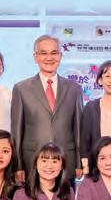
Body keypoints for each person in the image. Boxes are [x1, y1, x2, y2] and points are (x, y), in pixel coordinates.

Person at [11, 35, 83, 184]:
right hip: (31, 163)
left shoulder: (74, 89)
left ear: (60, 56)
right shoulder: (21, 89)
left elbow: (78, 130)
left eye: (54, 53)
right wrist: (18, 165)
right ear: (35, 57)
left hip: (66, 163)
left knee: (66, 199)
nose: (49, 58)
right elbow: (16, 132)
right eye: (43, 53)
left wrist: (78, 162)